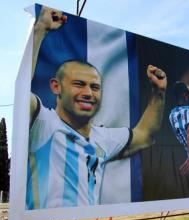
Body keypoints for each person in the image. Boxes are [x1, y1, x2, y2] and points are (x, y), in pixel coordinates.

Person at [26, 6, 167, 209]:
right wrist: (40, 30)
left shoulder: (102, 138)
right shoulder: (42, 122)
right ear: (56, 87)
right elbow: (24, 92)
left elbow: (145, 135)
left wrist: (159, 93)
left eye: (95, 87)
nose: (88, 93)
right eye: (78, 84)